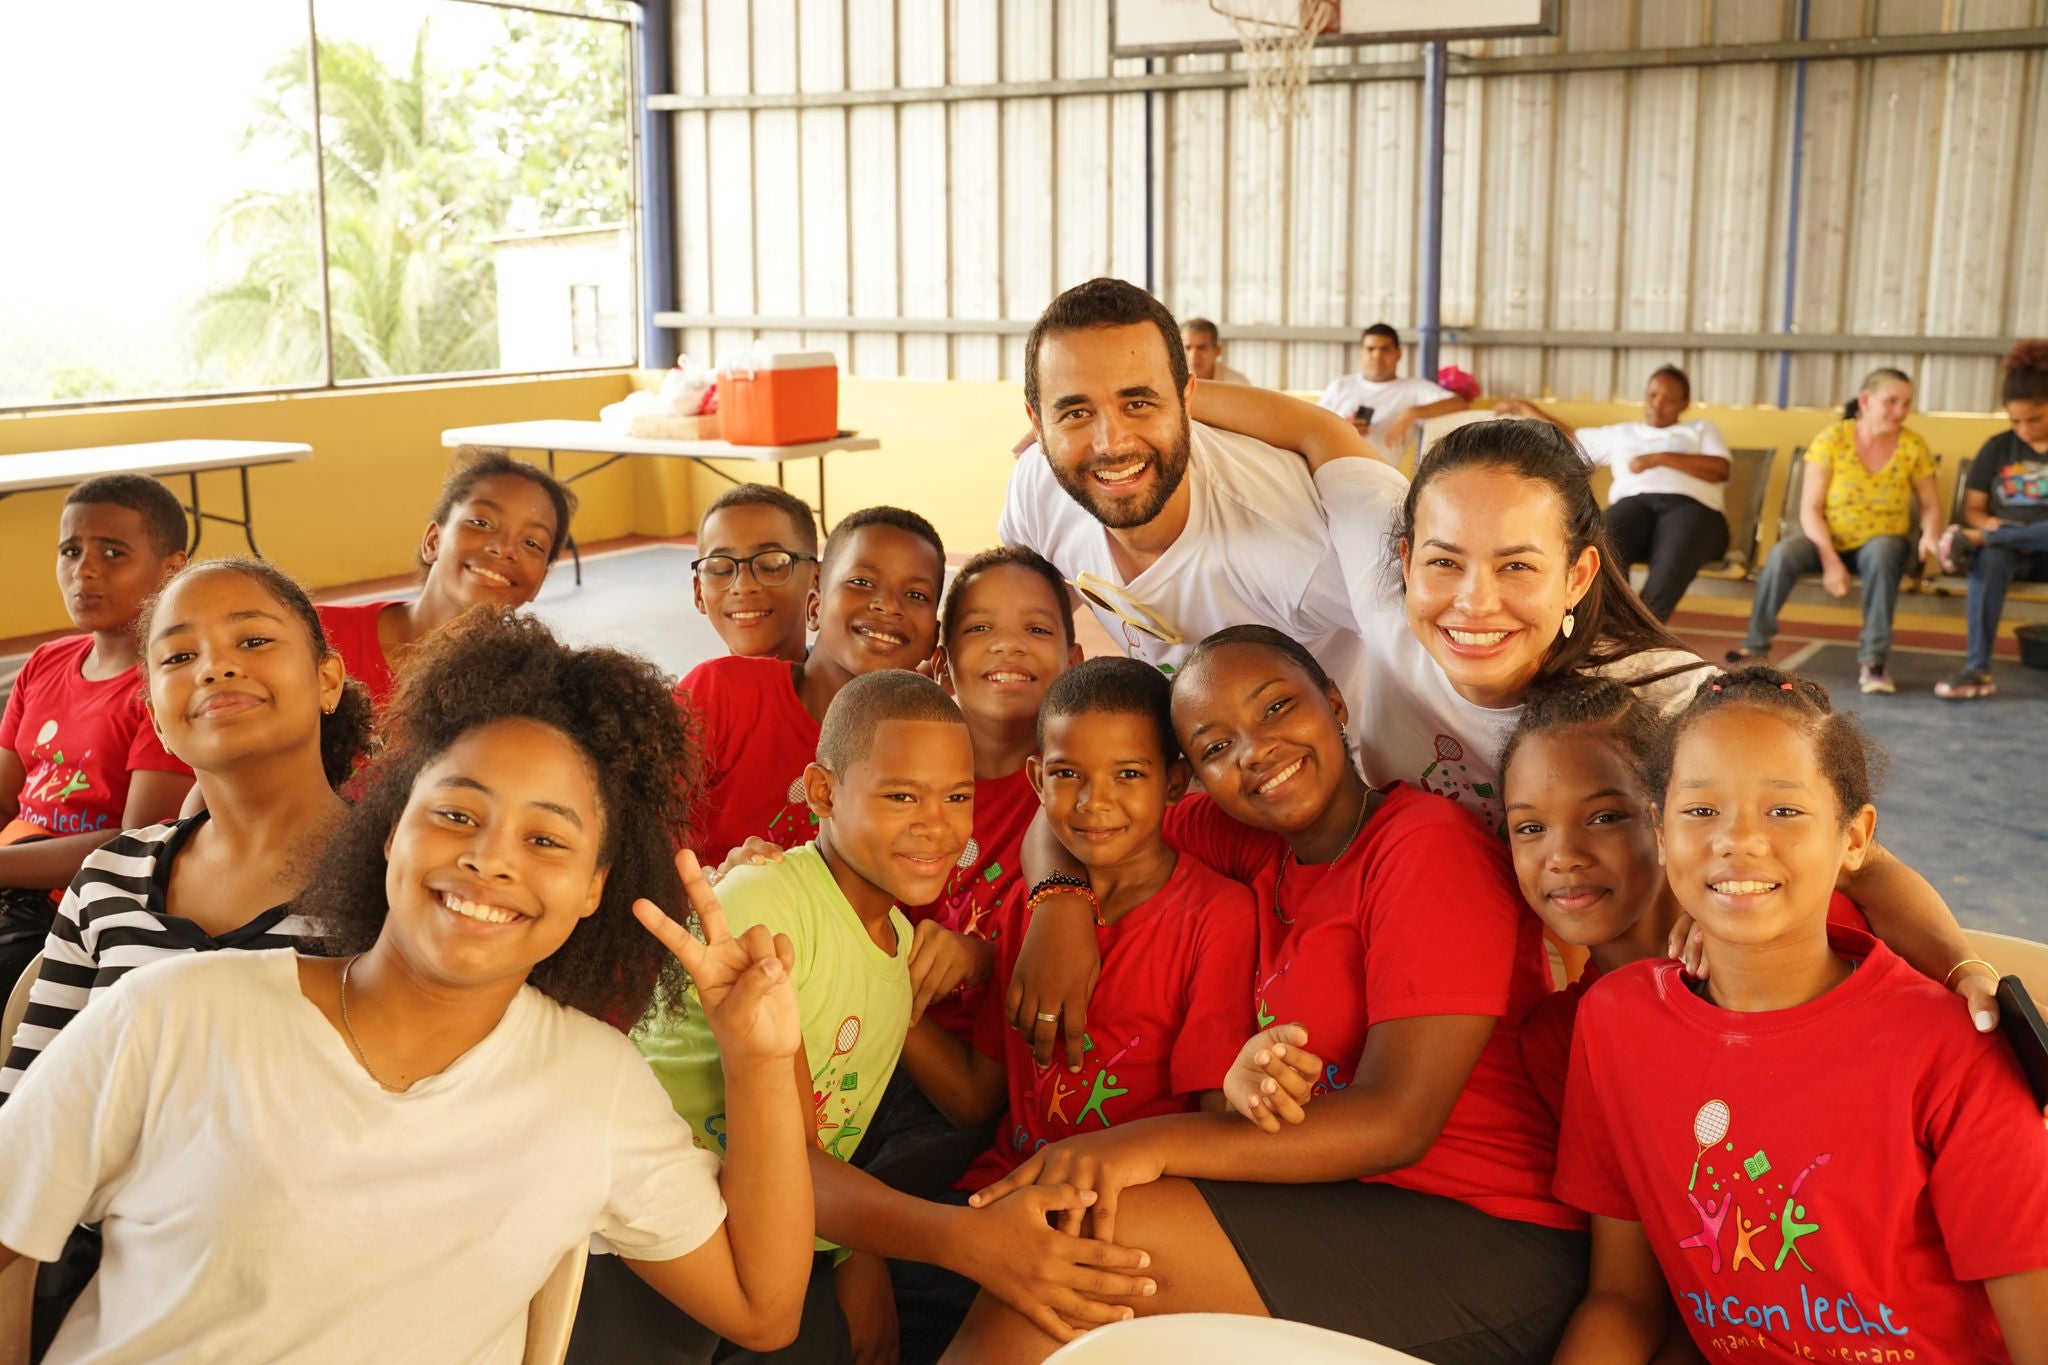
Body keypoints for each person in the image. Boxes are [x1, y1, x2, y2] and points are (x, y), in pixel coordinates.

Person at [1011, 393, 2007, 1111]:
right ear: (1402, 560)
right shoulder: (1385, 595)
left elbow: (1856, 862)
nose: (1473, 603)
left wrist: (1958, 962)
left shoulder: (1657, 702)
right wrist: (1130, 416)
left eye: (1517, 568)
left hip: (1708, 994)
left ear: (1578, 574)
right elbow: (1317, 431)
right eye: (1442, 564)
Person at [0, 611, 815, 1361]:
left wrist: (757, 1059)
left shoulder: (592, 1085)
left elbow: (761, 1308)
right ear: (391, 829)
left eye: (545, 838)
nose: (491, 859)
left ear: (595, 887)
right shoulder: (177, 1011)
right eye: (458, 815)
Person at [943, 627, 1585, 1365]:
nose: (1254, 752)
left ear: (1336, 703)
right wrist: (1058, 901)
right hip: (1336, 1196)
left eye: (1278, 706)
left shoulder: (1423, 847)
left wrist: (1136, 1146)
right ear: (1193, 775)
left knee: (1074, 1243)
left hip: (1483, 1234)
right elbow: (1078, 816)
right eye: (1216, 747)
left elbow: (1398, 1121)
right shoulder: (1252, 836)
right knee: (1054, 1260)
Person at [1551, 668, 2048, 1361]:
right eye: (1700, 811)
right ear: (1661, 832)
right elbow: (1623, 1298)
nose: (1738, 840)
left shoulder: (1954, 1047)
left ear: (1855, 838)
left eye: (1783, 811)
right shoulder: (1614, 1024)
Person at [584, 669, 974, 1363]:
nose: (936, 823)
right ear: (822, 792)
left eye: (958, 796)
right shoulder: (771, 904)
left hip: (774, 1231)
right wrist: (967, 1243)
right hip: (643, 1231)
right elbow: (794, 1152)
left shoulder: (900, 949)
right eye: (901, 795)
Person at [1, 559, 371, 1098]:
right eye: (179, 656)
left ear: (327, 680)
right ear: (156, 721)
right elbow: (28, 1104)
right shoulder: (108, 879)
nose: (214, 668)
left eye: (253, 641)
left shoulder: (393, 878)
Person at [998, 276, 1397, 711]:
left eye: (1139, 403)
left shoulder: (1299, 547)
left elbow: (1434, 661)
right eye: (1076, 412)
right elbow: (1026, 610)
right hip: (1186, 761)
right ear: (1037, 425)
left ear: (1189, 397)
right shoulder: (1039, 488)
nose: (1110, 443)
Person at [0, 476, 193, 994]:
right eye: (70, 550)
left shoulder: (168, 686)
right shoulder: (45, 663)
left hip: (76, 912)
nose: (83, 570)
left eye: (113, 552)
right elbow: (3, 796)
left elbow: (134, 845)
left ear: (172, 569)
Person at [674, 506, 945, 867]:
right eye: (862, 583)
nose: (886, 605)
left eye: (916, 595)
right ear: (814, 607)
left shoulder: (926, 749)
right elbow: (630, 826)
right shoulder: (720, 692)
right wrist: (713, 883)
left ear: (933, 640)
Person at [1728, 369, 1940, 695]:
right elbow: (1810, 510)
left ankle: (1873, 662)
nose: (1900, 411)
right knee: (1782, 553)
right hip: (1826, 538)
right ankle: (1755, 647)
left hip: (1882, 542)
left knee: (1883, 553)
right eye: (1892, 401)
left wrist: (1930, 533)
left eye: (1906, 403)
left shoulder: (1913, 445)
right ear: (1866, 401)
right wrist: (1830, 562)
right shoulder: (1832, 440)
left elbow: (1929, 504)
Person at [316, 447, 576, 709]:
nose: (504, 548)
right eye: (481, 523)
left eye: (532, 543)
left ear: (540, 582)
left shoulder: (530, 693)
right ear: (433, 542)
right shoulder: (317, 636)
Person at [1495, 366, 1733, 620]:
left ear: (1684, 403)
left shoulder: (1700, 430)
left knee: (1675, 553)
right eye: (1652, 395)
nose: (1658, 404)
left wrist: (1658, 458)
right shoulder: (1623, 434)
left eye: (1668, 398)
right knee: (1603, 537)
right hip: (1637, 505)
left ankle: (1646, 628)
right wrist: (1524, 407)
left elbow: (1720, 469)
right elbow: (1569, 441)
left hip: (1692, 508)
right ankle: (1615, 625)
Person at [1934, 340, 2048, 701]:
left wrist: (1982, 535)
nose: (2024, 430)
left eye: (2035, 419)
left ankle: (1981, 543)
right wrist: (1984, 525)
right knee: (1991, 556)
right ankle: (1977, 669)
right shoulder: (1998, 447)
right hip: (2010, 550)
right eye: (2015, 421)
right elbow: (1975, 510)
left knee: (1988, 545)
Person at [692, 483, 821, 664]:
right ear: (699, 593)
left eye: (771, 565)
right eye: (721, 569)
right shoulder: (693, 690)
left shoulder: (855, 688)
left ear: (817, 580)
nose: (743, 586)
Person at [1315, 322, 1467, 459]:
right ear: (1361, 353)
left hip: (1380, 480)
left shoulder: (1414, 388)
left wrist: (1411, 413)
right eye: (1370, 349)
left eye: (1385, 349)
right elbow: (1313, 427)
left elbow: (1459, 404)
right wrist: (1343, 428)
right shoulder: (1341, 385)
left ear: (1398, 353)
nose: (1377, 355)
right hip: (1330, 469)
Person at [1178, 318, 1251, 386]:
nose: (1193, 356)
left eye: (1202, 348)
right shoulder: (1171, 382)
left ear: (1217, 351)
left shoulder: (1238, 385)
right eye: (1187, 348)